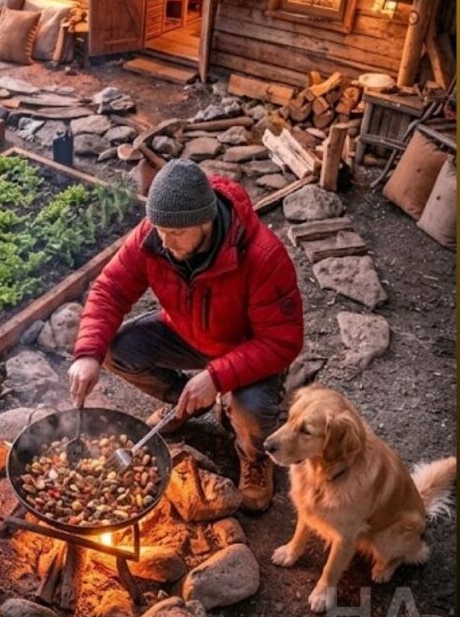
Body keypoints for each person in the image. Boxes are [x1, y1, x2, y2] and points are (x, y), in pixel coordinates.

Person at [68, 158, 303, 512]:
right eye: (160, 229)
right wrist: (87, 353)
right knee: (114, 350)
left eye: (176, 232)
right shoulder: (153, 236)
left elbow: (282, 341)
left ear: (205, 220)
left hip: (247, 349)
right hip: (187, 333)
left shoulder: (263, 255)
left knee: (251, 409)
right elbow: (110, 289)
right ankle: (184, 403)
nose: (165, 241)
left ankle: (254, 457)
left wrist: (216, 377)